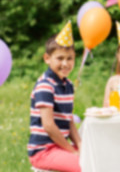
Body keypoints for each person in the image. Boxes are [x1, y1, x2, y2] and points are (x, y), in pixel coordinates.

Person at [27, 21, 81, 172]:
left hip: (59, 147)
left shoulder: (68, 85)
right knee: (84, 166)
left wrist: (80, 145)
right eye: (60, 58)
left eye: (69, 58)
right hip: (43, 151)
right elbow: (49, 126)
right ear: (47, 58)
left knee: (95, 155)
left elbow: (68, 120)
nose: (65, 63)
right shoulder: (45, 85)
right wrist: (72, 150)